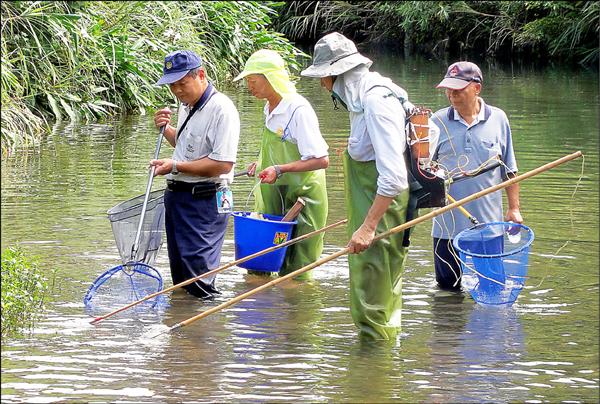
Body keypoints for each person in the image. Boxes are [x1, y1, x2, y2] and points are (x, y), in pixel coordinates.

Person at [301, 32, 412, 340]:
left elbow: (394, 176)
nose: (323, 87)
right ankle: (375, 370)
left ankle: (376, 370)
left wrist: (368, 226)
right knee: (373, 294)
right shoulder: (362, 97)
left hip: (381, 211)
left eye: (323, 80)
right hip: (370, 207)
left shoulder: (376, 100)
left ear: (333, 76)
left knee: (374, 302)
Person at [234, 49, 329, 280]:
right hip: (276, 195)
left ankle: (299, 313)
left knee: (298, 268)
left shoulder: (298, 110)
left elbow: (321, 160)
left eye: (253, 81)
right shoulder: (269, 107)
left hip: (303, 198)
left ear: (271, 79)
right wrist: (261, 163)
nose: (250, 87)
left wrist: (279, 169)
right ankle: (269, 312)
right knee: (264, 259)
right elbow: (279, 149)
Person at [152, 50, 240, 299]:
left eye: (182, 84)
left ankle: (205, 331)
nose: (177, 91)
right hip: (178, 198)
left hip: (205, 200)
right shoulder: (186, 105)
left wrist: (175, 166)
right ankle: (184, 334)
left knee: (199, 278)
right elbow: (185, 148)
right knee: (181, 277)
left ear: (201, 75)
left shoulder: (222, 109)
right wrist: (165, 128)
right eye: (172, 86)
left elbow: (222, 164)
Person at [431, 61, 522, 290]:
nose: (452, 95)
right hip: (446, 227)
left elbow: (509, 169)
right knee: (447, 292)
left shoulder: (499, 119)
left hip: (489, 226)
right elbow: (422, 171)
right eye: (448, 89)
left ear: (477, 88)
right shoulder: (436, 122)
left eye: (458, 89)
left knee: (492, 286)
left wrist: (514, 209)